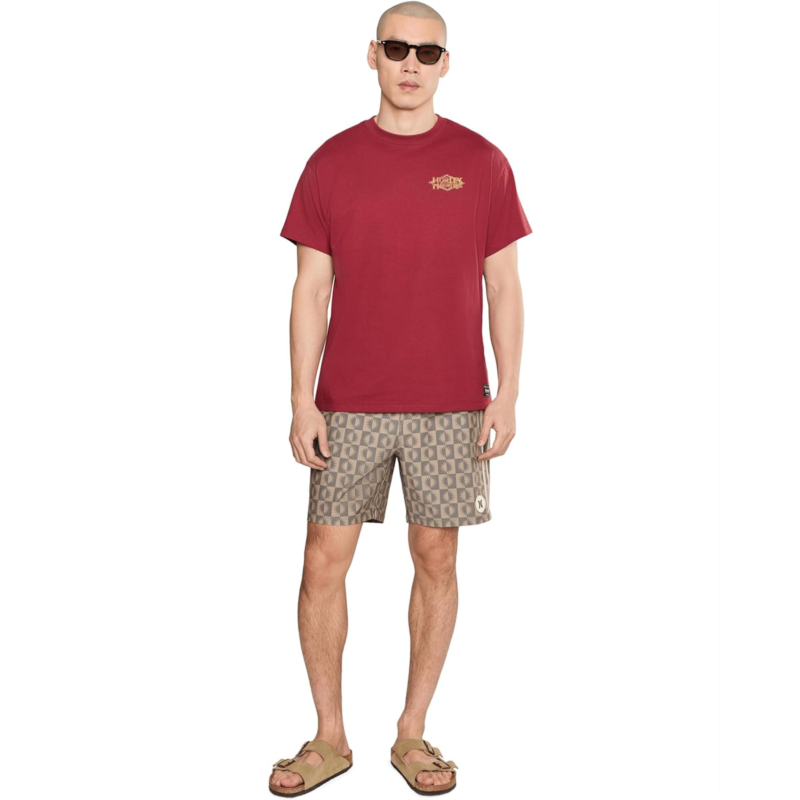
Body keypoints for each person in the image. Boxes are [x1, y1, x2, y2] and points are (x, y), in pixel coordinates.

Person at [271, 2, 532, 795]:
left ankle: (412, 733)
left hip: (452, 401)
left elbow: (503, 286)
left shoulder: (482, 161)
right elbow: (309, 289)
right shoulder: (330, 162)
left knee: (437, 557)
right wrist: (301, 400)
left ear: (446, 63)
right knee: (323, 560)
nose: (410, 63)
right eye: (396, 48)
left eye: (426, 51)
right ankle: (329, 737)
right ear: (372, 56)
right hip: (348, 400)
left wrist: (508, 394)